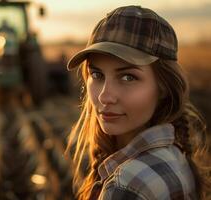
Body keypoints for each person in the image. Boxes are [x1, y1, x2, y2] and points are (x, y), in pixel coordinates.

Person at [65, 5, 211, 200]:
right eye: (97, 74)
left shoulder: (127, 186)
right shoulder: (175, 158)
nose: (104, 96)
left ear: (164, 87)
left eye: (128, 77)